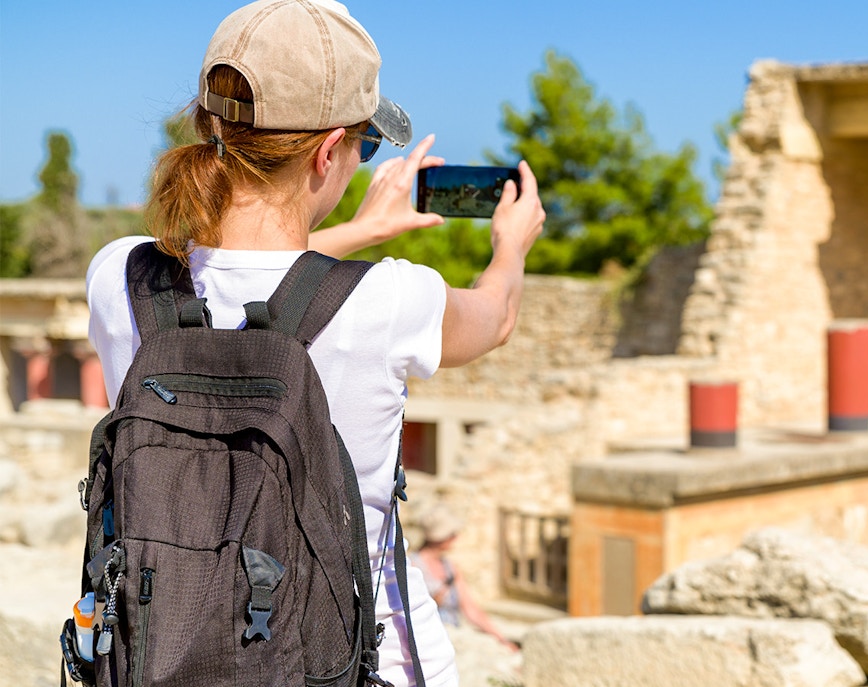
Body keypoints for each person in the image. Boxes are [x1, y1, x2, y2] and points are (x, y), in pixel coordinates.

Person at [84, 1, 544, 685]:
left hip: (157, 657)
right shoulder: (390, 301)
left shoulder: (122, 275)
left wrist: (355, 232)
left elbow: (237, 280)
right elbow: (495, 315)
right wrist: (512, 244)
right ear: (329, 152)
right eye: (361, 144)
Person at [410, 505, 518, 651]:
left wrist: (500, 638)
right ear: (441, 537)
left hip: (453, 638)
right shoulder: (411, 566)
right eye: (452, 534)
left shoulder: (449, 567)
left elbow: (471, 609)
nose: (456, 537)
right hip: (426, 642)